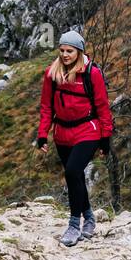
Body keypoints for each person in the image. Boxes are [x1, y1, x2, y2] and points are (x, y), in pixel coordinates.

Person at [36, 30, 113, 246]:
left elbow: (102, 107)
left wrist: (105, 138)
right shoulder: (52, 73)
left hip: (88, 130)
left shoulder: (91, 73)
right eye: (61, 51)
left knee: (72, 172)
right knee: (75, 177)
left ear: (79, 51)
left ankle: (73, 225)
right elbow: (46, 106)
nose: (65, 55)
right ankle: (89, 218)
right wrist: (43, 134)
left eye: (69, 51)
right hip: (62, 133)